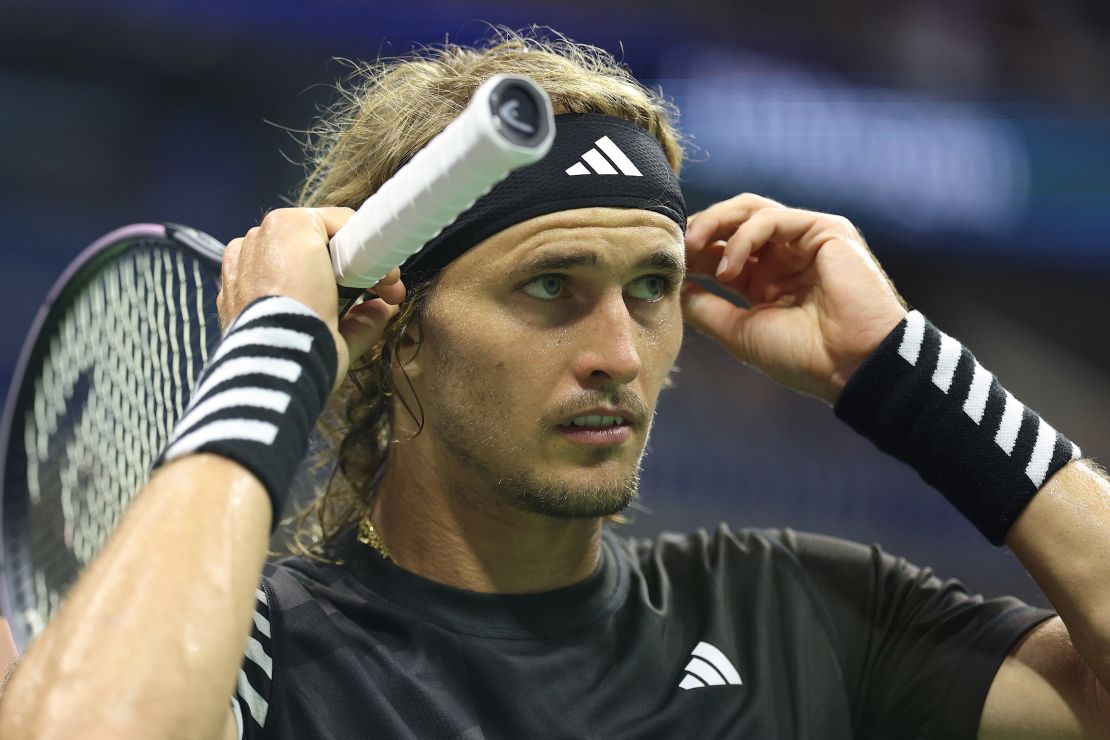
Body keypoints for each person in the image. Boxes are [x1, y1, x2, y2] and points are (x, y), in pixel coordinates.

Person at [1, 29, 1108, 739]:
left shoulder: (797, 617)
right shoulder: (245, 659)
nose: (620, 354)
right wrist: (277, 347)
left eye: (651, 288)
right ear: (391, 326)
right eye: (549, 287)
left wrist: (907, 372)